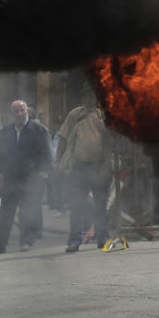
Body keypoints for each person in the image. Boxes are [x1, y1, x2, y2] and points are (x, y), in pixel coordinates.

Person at [0, 100, 52, 254]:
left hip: (30, 177)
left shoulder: (38, 129)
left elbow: (47, 153)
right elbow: (1, 154)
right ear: (11, 114)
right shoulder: (6, 131)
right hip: (10, 177)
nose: (20, 114)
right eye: (16, 111)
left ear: (27, 111)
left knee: (26, 210)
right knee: (6, 211)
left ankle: (26, 242)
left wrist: (43, 172)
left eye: (22, 110)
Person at [57, 89, 113, 253]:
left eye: (92, 95)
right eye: (87, 95)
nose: (90, 97)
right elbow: (63, 137)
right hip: (79, 166)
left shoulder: (103, 114)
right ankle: (74, 241)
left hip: (99, 166)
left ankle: (103, 239)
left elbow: (114, 135)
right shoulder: (75, 114)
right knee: (76, 205)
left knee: (100, 205)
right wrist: (58, 160)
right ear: (82, 97)